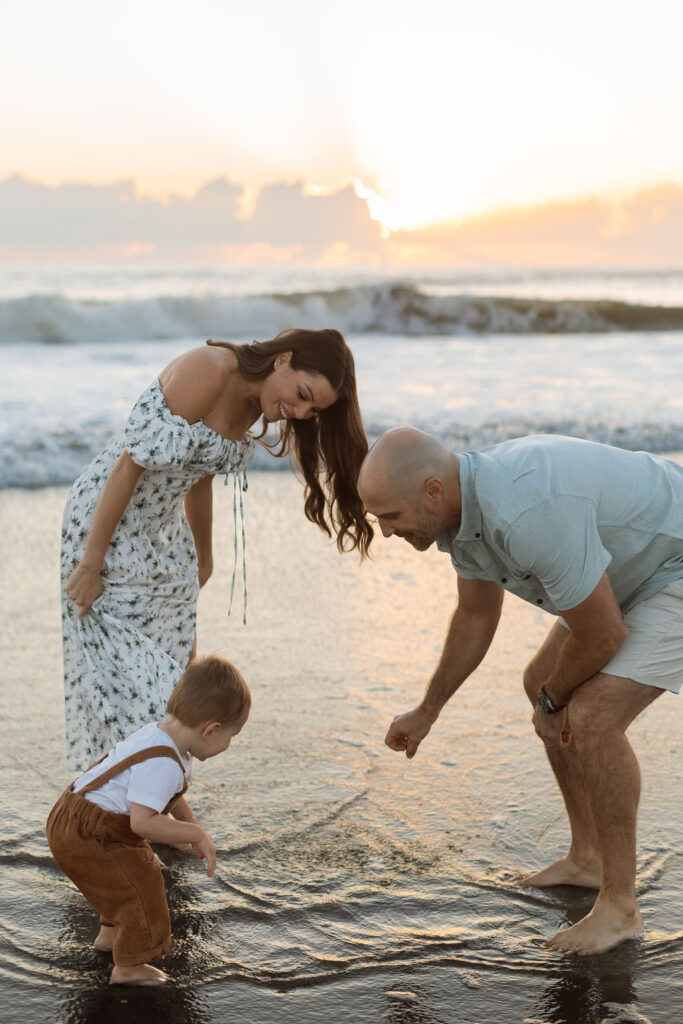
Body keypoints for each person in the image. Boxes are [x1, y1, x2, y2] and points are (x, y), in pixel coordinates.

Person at [357, 428, 683, 956]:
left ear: (433, 490)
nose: (386, 532)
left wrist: (555, 704)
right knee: (540, 682)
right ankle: (588, 856)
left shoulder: (525, 513)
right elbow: (476, 614)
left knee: (594, 715)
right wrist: (427, 710)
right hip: (629, 567)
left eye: (390, 516)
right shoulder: (461, 516)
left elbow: (602, 634)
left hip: (675, 562)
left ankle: (621, 906)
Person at [61, 329, 372, 771]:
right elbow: (128, 465)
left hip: (163, 529)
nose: (299, 413)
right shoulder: (208, 371)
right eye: (302, 395)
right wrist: (91, 563)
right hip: (107, 520)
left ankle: (151, 789)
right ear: (283, 358)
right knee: (127, 667)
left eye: (312, 409)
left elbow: (199, 471)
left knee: (175, 664)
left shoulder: (252, 402)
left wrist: (204, 555)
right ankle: (137, 793)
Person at [46, 654, 250, 986]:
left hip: (73, 816)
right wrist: (194, 832)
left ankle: (108, 938)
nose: (228, 744)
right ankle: (129, 968)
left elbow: (169, 796)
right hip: (90, 832)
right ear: (210, 730)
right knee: (142, 884)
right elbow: (142, 823)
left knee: (119, 877)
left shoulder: (160, 736)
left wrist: (190, 829)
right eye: (231, 736)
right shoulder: (165, 762)